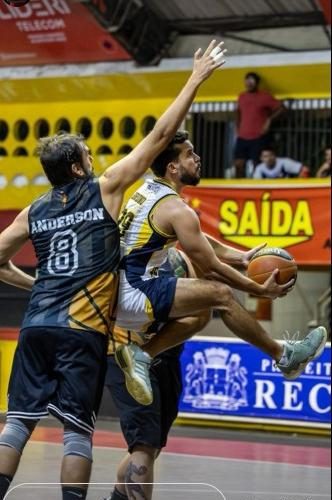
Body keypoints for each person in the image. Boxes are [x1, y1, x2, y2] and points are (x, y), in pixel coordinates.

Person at [0, 39, 227, 500]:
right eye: (88, 156)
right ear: (80, 167)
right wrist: (195, 78)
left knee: (17, 425)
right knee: (76, 432)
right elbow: (161, 137)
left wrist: (35, 282)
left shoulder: (33, 210)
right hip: (82, 331)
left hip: (36, 325)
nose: (94, 160)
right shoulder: (103, 189)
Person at [114, 129, 327, 408]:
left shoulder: (150, 190)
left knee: (201, 312)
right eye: (190, 154)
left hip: (124, 289)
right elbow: (209, 263)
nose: (197, 158)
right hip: (135, 292)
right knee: (221, 294)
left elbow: (200, 241)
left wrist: (241, 258)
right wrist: (258, 289)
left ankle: (142, 355)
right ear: (173, 167)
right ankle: (284, 356)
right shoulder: (176, 209)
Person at [103, 248, 210, 500]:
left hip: (168, 357)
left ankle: (118, 497)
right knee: (144, 443)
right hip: (127, 353)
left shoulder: (182, 256)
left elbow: (202, 302)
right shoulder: (124, 251)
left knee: (152, 447)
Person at [234, 72, 286, 178]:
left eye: (251, 81)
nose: (249, 83)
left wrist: (269, 120)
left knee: (257, 164)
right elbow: (238, 112)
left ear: (257, 83)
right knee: (238, 164)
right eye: (247, 80)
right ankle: (239, 188)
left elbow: (282, 108)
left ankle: (255, 187)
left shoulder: (264, 96)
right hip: (242, 137)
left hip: (258, 137)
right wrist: (237, 127)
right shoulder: (241, 96)